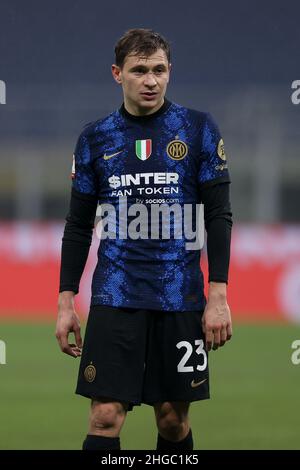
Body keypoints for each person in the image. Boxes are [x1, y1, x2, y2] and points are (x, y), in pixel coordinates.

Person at [55, 28, 233, 451]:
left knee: (172, 420)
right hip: (116, 297)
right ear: (118, 74)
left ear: (170, 71)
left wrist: (218, 295)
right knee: (104, 417)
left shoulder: (197, 129)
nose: (150, 80)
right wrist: (65, 302)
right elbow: (78, 226)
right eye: (139, 70)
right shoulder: (95, 138)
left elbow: (219, 215)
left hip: (181, 299)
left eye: (158, 70)